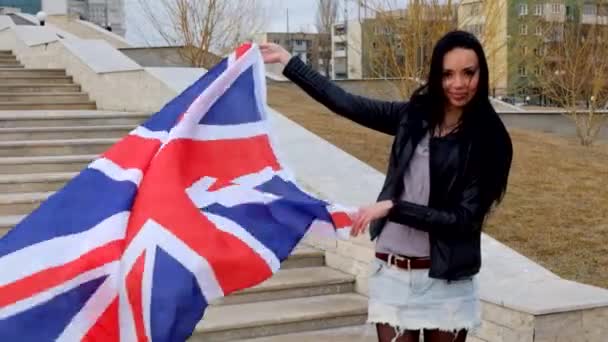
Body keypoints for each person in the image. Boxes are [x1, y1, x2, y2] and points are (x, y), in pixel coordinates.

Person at [260, 30, 513, 342]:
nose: (458, 84)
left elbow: (463, 220)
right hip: (393, 274)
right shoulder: (414, 116)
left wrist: (395, 208)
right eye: (448, 74)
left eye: (468, 73)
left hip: (447, 282)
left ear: (482, 73)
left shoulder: (491, 140)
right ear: (436, 75)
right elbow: (347, 104)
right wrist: (289, 63)